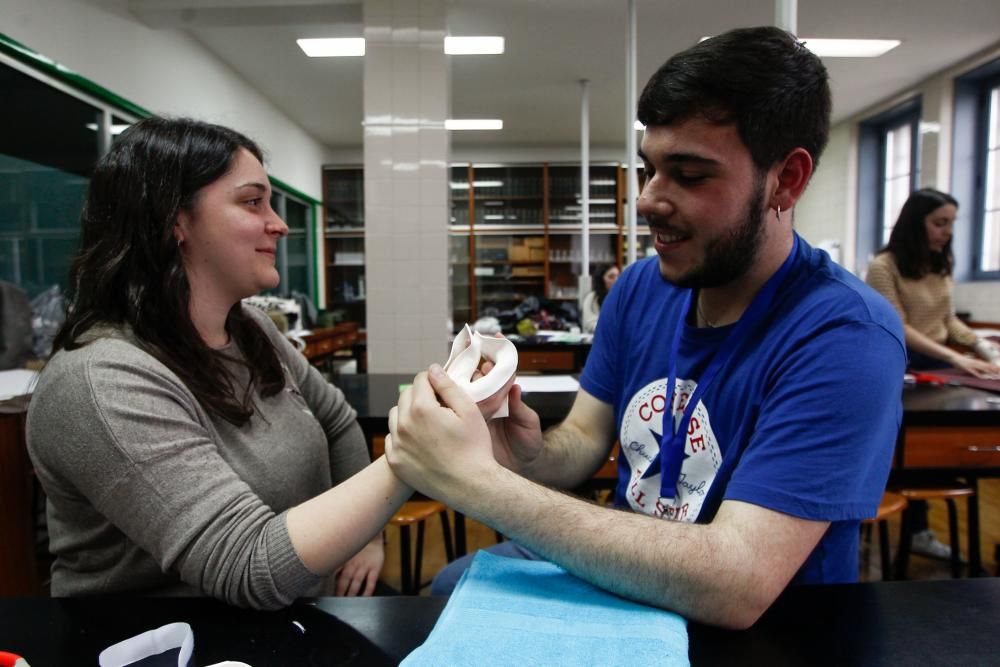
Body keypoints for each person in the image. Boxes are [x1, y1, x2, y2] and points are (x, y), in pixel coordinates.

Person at [385, 26, 906, 630]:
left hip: (757, 628)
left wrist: (479, 486)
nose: (648, 200)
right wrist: (521, 456)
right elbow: (584, 435)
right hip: (629, 581)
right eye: (649, 169)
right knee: (454, 587)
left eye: (689, 174)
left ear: (785, 180)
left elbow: (739, 581)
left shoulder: (846, 335)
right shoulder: (641, 288)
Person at [26, 117, 412, 608]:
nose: (280, 223)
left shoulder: (255, 332)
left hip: (299, 611)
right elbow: (248, 565)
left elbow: (336, 423)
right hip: (168, 642)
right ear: (175, 220)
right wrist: (412, 461)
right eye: (253, 202)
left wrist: (366, 538)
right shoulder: (101, 382)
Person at [865, 188, 1000, 561]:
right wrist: (955, 358)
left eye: (952, 223)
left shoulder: (940, 264)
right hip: (901, 368)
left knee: (951, 441)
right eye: (940, 223)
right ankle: (916, 529)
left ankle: (921, 530)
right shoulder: (884, 266)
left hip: (939, 368)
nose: (947, 232)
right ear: (915, 223)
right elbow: (899, 326)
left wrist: (984, 348)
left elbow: (949, 320)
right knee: (913, 450)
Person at [580, 264, 620, 333]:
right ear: (601, 279)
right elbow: (589, 324)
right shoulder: (592, 298)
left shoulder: (623, 298)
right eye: (611, 277)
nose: (616, 280)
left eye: (618, 276)